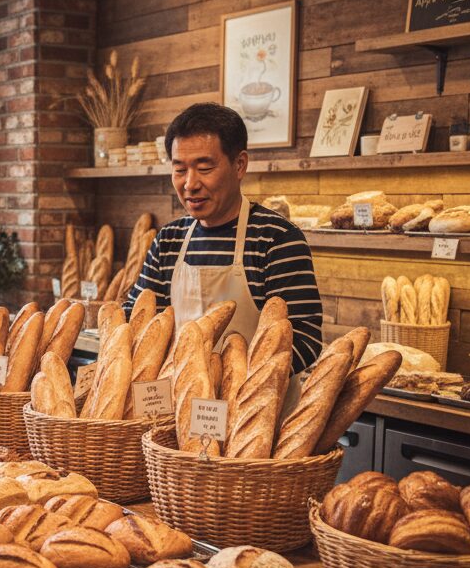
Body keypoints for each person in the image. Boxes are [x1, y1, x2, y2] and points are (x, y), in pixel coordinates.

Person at [123, 103, 323, 399]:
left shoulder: (276, 239)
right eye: (179, 170)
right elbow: (138, 320)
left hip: (255, 410)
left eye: (204, 169)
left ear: (239, 165)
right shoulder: (169, 240)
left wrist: (237, 380)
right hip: (177, 409)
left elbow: (305, 337)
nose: (190, 184)